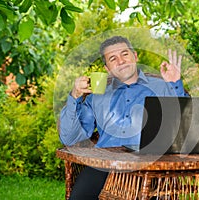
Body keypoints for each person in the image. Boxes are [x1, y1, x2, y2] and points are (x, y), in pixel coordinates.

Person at [59, 36, 189, 200]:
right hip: (104, 165)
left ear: (135, 57)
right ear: (107, 69)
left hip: (151, 164)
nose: (121, 61)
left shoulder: (162, 86)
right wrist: (75, 96)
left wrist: (175, 84)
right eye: (113, 58)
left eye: (124, 54)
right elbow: (70, 138)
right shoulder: (97, 96)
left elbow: (185, 127)